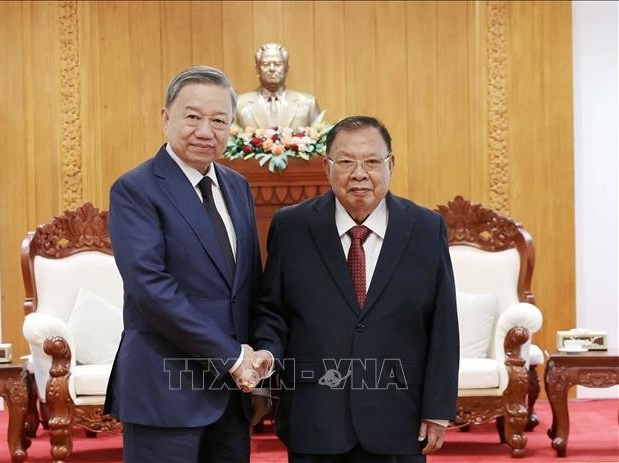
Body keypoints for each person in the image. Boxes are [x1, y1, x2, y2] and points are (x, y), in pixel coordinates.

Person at [249, 116, 460, 462]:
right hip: (314, 420)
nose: (359, 173)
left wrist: (437, 408)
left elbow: (443, 324)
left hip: (399, 420)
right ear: (326, 166)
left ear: (391, 164)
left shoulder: (425, 228)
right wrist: (266, 360)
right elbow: (272, 310)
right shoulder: (293, 227)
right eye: (346, 162)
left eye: (372, 162)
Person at [103, 65, 270, 462]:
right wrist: (231, 358)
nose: (205, 131)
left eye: (219, 121)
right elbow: (152, 290)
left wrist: (258, 366)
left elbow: (248, 288)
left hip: (232, 397)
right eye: (192, 117)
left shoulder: (237, 186)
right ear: (165, 118)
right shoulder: (135, 189)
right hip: (165, 392)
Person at [235, 43, 320, 130]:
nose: (272, 68)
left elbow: (320, 139)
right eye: (266, 64)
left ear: (286, 68)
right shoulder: (239, 104)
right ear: (257, 70)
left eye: (278, 64)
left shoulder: (308, 103)